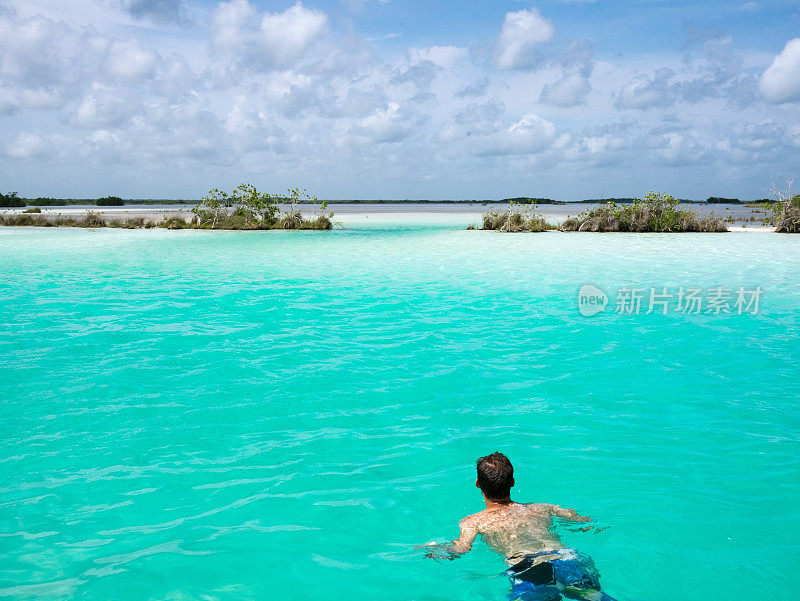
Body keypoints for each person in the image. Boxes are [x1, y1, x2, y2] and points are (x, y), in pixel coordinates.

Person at [420, 452, 617, 601]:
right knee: (594, 596)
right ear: (513, 482)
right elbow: (580, 520)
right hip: (567, 558)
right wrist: (587, 526)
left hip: (529, 568)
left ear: (478, 483)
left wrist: (435, 549)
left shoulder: (473, 521)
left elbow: (461, 549)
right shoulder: (542, 508)